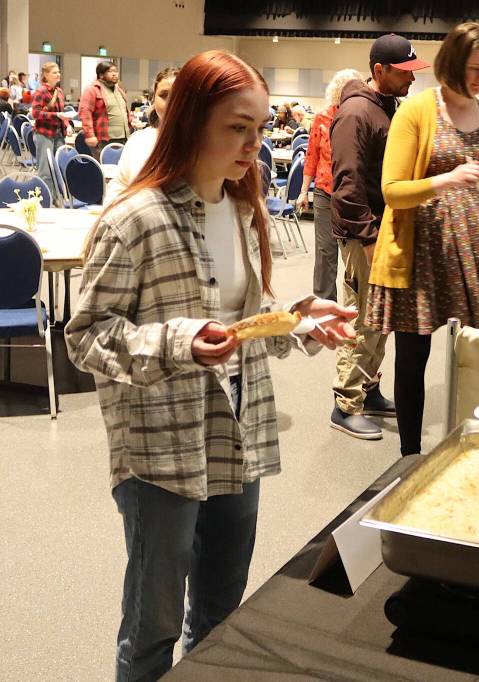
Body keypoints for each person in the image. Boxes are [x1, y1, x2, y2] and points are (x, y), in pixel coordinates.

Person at [65, 50, 357, 682]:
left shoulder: (243, 208)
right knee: (153, 627)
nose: (255, 144)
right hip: (160, 450)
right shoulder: (135, 219)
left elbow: (243, 319)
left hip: (236, 434)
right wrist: (179, 342)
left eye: (258, 128)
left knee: (223, 613)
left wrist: (299, 319)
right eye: (237, 127)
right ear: (193, 121)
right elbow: (86, 337)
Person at [366, 22, 479, 456]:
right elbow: (392, 191)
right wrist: (447, 179)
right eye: (473, 68)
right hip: (419, 251)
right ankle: (409, 456)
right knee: (413, 358)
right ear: (451, 63)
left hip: (472, 251)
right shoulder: (417, 110)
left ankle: (476, 445)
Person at [328, 34, 429, 439]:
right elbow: (347, 185)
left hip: (387, 232)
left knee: (381, 319)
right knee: (361, 320)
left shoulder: (388, 108)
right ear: (379, 71)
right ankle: (345, 402)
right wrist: (369, 239)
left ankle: (368, 390)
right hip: (365, 236)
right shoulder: (356, 113)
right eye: (403, 72)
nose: (411, 79)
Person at [295, 68, 362, 301]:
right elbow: (312, 157)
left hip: (353, 195)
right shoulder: (322, 118)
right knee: (325, 253)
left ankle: (353, 308)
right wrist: (303, 191)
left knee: (354, 256)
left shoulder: (360, 116)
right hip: (324, 192)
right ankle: (324, 307)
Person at [105, 67, 179, 205]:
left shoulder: (200, 145)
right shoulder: (138, 141)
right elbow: (119, 186)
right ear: (153, 100)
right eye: (164, 95)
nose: (171, 102)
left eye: (178, 96)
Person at [30, 62, 75, 201]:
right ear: (46, 75)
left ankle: (58, 199)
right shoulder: (41, 91)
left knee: (58, 168)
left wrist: (67, 124)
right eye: (54, 72)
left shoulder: (59, 91)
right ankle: (46, 201)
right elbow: (35, 114)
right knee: (45, 171)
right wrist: (55, 115)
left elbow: (61, 113)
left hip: (58, 134)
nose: (58, 74)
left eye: (58, 72)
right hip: (44, 134)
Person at [78, 61, 132, 158]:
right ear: (101, 74)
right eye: (110, 71)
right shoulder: (92, 90)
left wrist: (131, 121)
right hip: (104, 139)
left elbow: (124, 110)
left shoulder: (118, 89)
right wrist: (89, 135)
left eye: (116, 71)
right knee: (106, 169)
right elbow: (85, 113)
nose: (115, 74)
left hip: (123, 137)